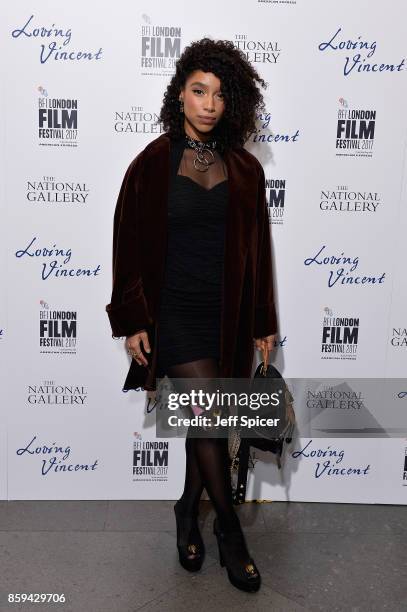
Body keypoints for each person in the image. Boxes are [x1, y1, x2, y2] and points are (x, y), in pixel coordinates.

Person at [106, 38, 278, 593]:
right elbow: (127, 243)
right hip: (172, 314)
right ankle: (230, 532)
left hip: (223, 316)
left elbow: (259, 256)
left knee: (202, 420)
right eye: (198, 90)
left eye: (220, 94)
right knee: (209, 419)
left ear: (234, 104)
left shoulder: (247, 171)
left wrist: (262, 323)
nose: (208, 103)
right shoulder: (152, 164)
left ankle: (186, 510)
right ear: (178, 94)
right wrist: (133, 319)